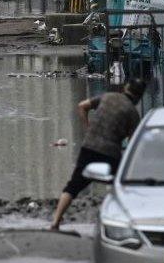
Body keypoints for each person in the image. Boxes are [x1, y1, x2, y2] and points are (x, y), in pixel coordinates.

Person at [50, 78, 147, 231]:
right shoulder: (132, 113)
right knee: (120, 187)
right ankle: (121, 222)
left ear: (126, 88)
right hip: (111, 153)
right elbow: (132, 142)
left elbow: (82, 106)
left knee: (73, 186)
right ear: (139, 97)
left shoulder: (107, 97)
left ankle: (56, 221)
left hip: (89, 146)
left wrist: (87, 128)